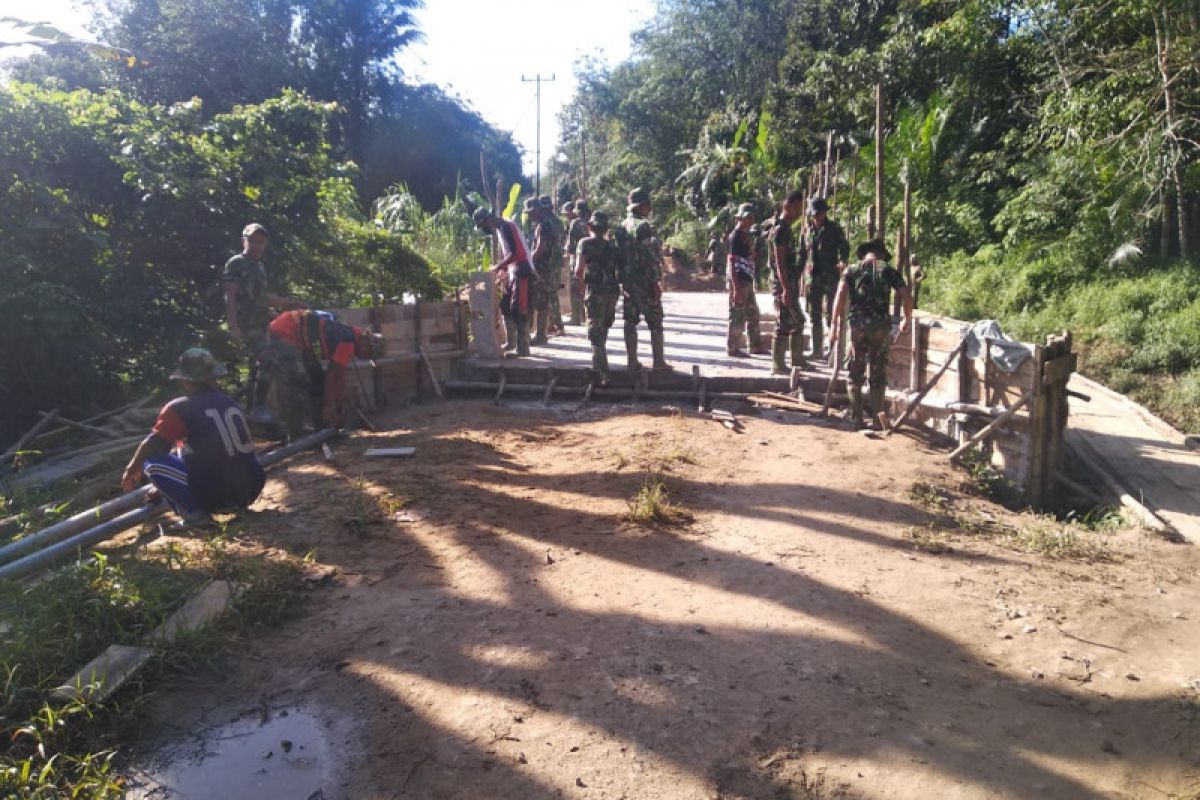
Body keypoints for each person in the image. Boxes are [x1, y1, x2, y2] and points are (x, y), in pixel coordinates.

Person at [121, 348, 265, 528]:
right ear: (214, 378)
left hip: (217, 493)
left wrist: (131, 469)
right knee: (180, 450)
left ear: (184, 380)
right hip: (250, 488)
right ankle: (228, 504)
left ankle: (195, 516)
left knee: (152, 462)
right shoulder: (228, 401)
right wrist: (164, 487)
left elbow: (153, 444)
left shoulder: (179, 408)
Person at [829, 239, 914, 430]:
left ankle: (856, 419)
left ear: (864, 253)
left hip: (857, 327)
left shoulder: (851, 270)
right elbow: (907, 296)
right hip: (880, 328)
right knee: (877, 373)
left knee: (855, 372)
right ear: (881, 254)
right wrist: (906, 319)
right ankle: (877, 420)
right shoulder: (889, 270)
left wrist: (834, 324)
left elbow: (840, 295)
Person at [222, 223, 304, 418]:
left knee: (273, 362)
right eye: (252, 241)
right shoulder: (236, 263)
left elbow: (262, 296)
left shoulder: (259, 266)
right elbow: (229, 296)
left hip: (263, 323)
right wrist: (234, 327)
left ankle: (255, 408)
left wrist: (288, 302)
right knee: (268, 360)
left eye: (261, 242)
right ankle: (258, 406)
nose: (257, 245)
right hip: (247, 325)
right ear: (244, 241)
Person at [266, 309, 385, 437]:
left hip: (298, 338)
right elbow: (334, 377)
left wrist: (337, 409)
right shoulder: (346, 340)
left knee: (317, 379)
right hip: (284, 332)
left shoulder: (347, 332)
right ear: (366, 341)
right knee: (298, 382)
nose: (364, 357)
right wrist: (330, 409)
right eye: (367, 354)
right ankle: (296, 437)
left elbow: (335, 377)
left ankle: (320, 431)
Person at [618, 188, 670, 371]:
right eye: (648, 204)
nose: (650, 208)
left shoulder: (621, 227)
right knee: (655, 321)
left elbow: (618, 256)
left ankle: (632, 362)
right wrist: (656, 281)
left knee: (630, 322)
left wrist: (622, 280)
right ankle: (658, 362)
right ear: (642, 206)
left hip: (628, 282)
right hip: (645, 282)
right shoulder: (644, 226)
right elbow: (651, 257)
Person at [474, 207, 536, 358]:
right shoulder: (501, 227)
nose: (485, 229)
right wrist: (504, 270)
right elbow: (510, 253)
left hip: (522, 270)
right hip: (513, 270)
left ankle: (523, 348)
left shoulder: (506, 226)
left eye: (483, 226)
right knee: (506, 306)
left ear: (488, 220)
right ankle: (511, 342)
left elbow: (516, 253)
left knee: (519, 309)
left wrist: (498, 266)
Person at [574, 211, 622, 384]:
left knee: (595, 332)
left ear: (590, 227)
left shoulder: (584, 243)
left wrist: (579, 286)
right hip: (612, 291)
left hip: (595, 291)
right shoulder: (613, 247)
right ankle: (597, 364)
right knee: (604, 327)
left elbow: (579, 270)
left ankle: (603, 374)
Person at [800, 198, 849, 357]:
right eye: (815, 215)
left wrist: (843, 259)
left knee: (831, 314)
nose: (817, 217)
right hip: (812, 278)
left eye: (820, 214)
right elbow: (802, 254)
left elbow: (844, 247)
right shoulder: (807, 231)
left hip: (830, 277)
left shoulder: (834, 229)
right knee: (814, 314)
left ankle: (832, 350)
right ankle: (817, 350)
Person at [769, 190, 808, 375]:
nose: (800, 212)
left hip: (788, 283)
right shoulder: (780, 230)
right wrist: (785, 288)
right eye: (798, 208)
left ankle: (796, 359)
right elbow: (779, 261)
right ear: (788, 206)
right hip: (782, 284)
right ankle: (778, 364)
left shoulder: (786, 228)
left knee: (797, 321)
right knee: (784, 323)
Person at [726, 203, 768, 357]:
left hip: (747, 278)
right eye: (747, 218)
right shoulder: (735, 236)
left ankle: (755, 345)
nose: (750, 220)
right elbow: (731, 261)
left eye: (751, 218)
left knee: (753, 313)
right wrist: (735, 287)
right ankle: (733, 347)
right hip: (739, 280)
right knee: (737, 314)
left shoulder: (746, 236)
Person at [539, 195, 567, 333]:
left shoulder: (546, 222)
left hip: (549, 262)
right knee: (552, 291)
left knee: (550, 293)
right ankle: (552, 323)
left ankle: (558, 323)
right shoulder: (559, 222)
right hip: (557, 261)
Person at [565, 199, 591, 326]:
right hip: (592, 262)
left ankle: (576, 318)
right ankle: (587, 316)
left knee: (576, 289)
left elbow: (570, 245)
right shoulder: (592, 221)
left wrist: (569, 252)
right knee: (588, 288)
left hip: (577, 259)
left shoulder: (575, 223)